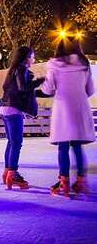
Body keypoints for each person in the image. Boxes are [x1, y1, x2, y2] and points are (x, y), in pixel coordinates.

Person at [42, 39, 95, 197]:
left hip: (62, 107)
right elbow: (90, 90)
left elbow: (48, 88)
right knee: (78, 146)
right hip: (80, 107)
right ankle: (81, 181)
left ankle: (64, 182)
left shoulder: (55, 64)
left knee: (63, 146)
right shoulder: (84, 64)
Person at [0, 46, 44, 190]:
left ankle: (7, 172)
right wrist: (41, 80)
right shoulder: (21, 69)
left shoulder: (13, 70)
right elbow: (24, 88)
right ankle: (13, 174)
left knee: (11, 142)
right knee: (16, 143)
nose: (34, 59)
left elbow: (28, 91)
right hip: (13, 110)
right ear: (26, 58)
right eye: (32, 56)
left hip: (5, 109)